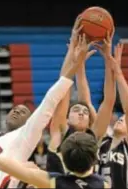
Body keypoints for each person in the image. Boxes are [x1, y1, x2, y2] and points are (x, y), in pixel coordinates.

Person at [0, 30, 92, 188]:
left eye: (23, 112)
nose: (17, 111)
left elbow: (51, 99)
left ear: (30, 122)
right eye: (14, 109)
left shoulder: (25, 135)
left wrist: (75, 65)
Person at [47, 17, 117, 174]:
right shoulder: (59, 131)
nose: (81, 112)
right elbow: (62, 87)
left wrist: (108, 57)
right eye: (76, 110)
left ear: (90, 121)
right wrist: (72, 49)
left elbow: (109, 100)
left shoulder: (95, 136)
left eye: (85, 112)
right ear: (66, 118)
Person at [95, 42, 128, 189]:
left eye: (126, 121)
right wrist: (108, 62)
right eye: (121, 118)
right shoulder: (102, 141)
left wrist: (118, 72)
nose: (121, 118)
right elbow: (108, 100)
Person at [0, 132, 110, 189]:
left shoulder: (54, 181)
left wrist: (26, 166)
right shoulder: (104, 185)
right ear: (95, 158)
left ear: (63, 160)